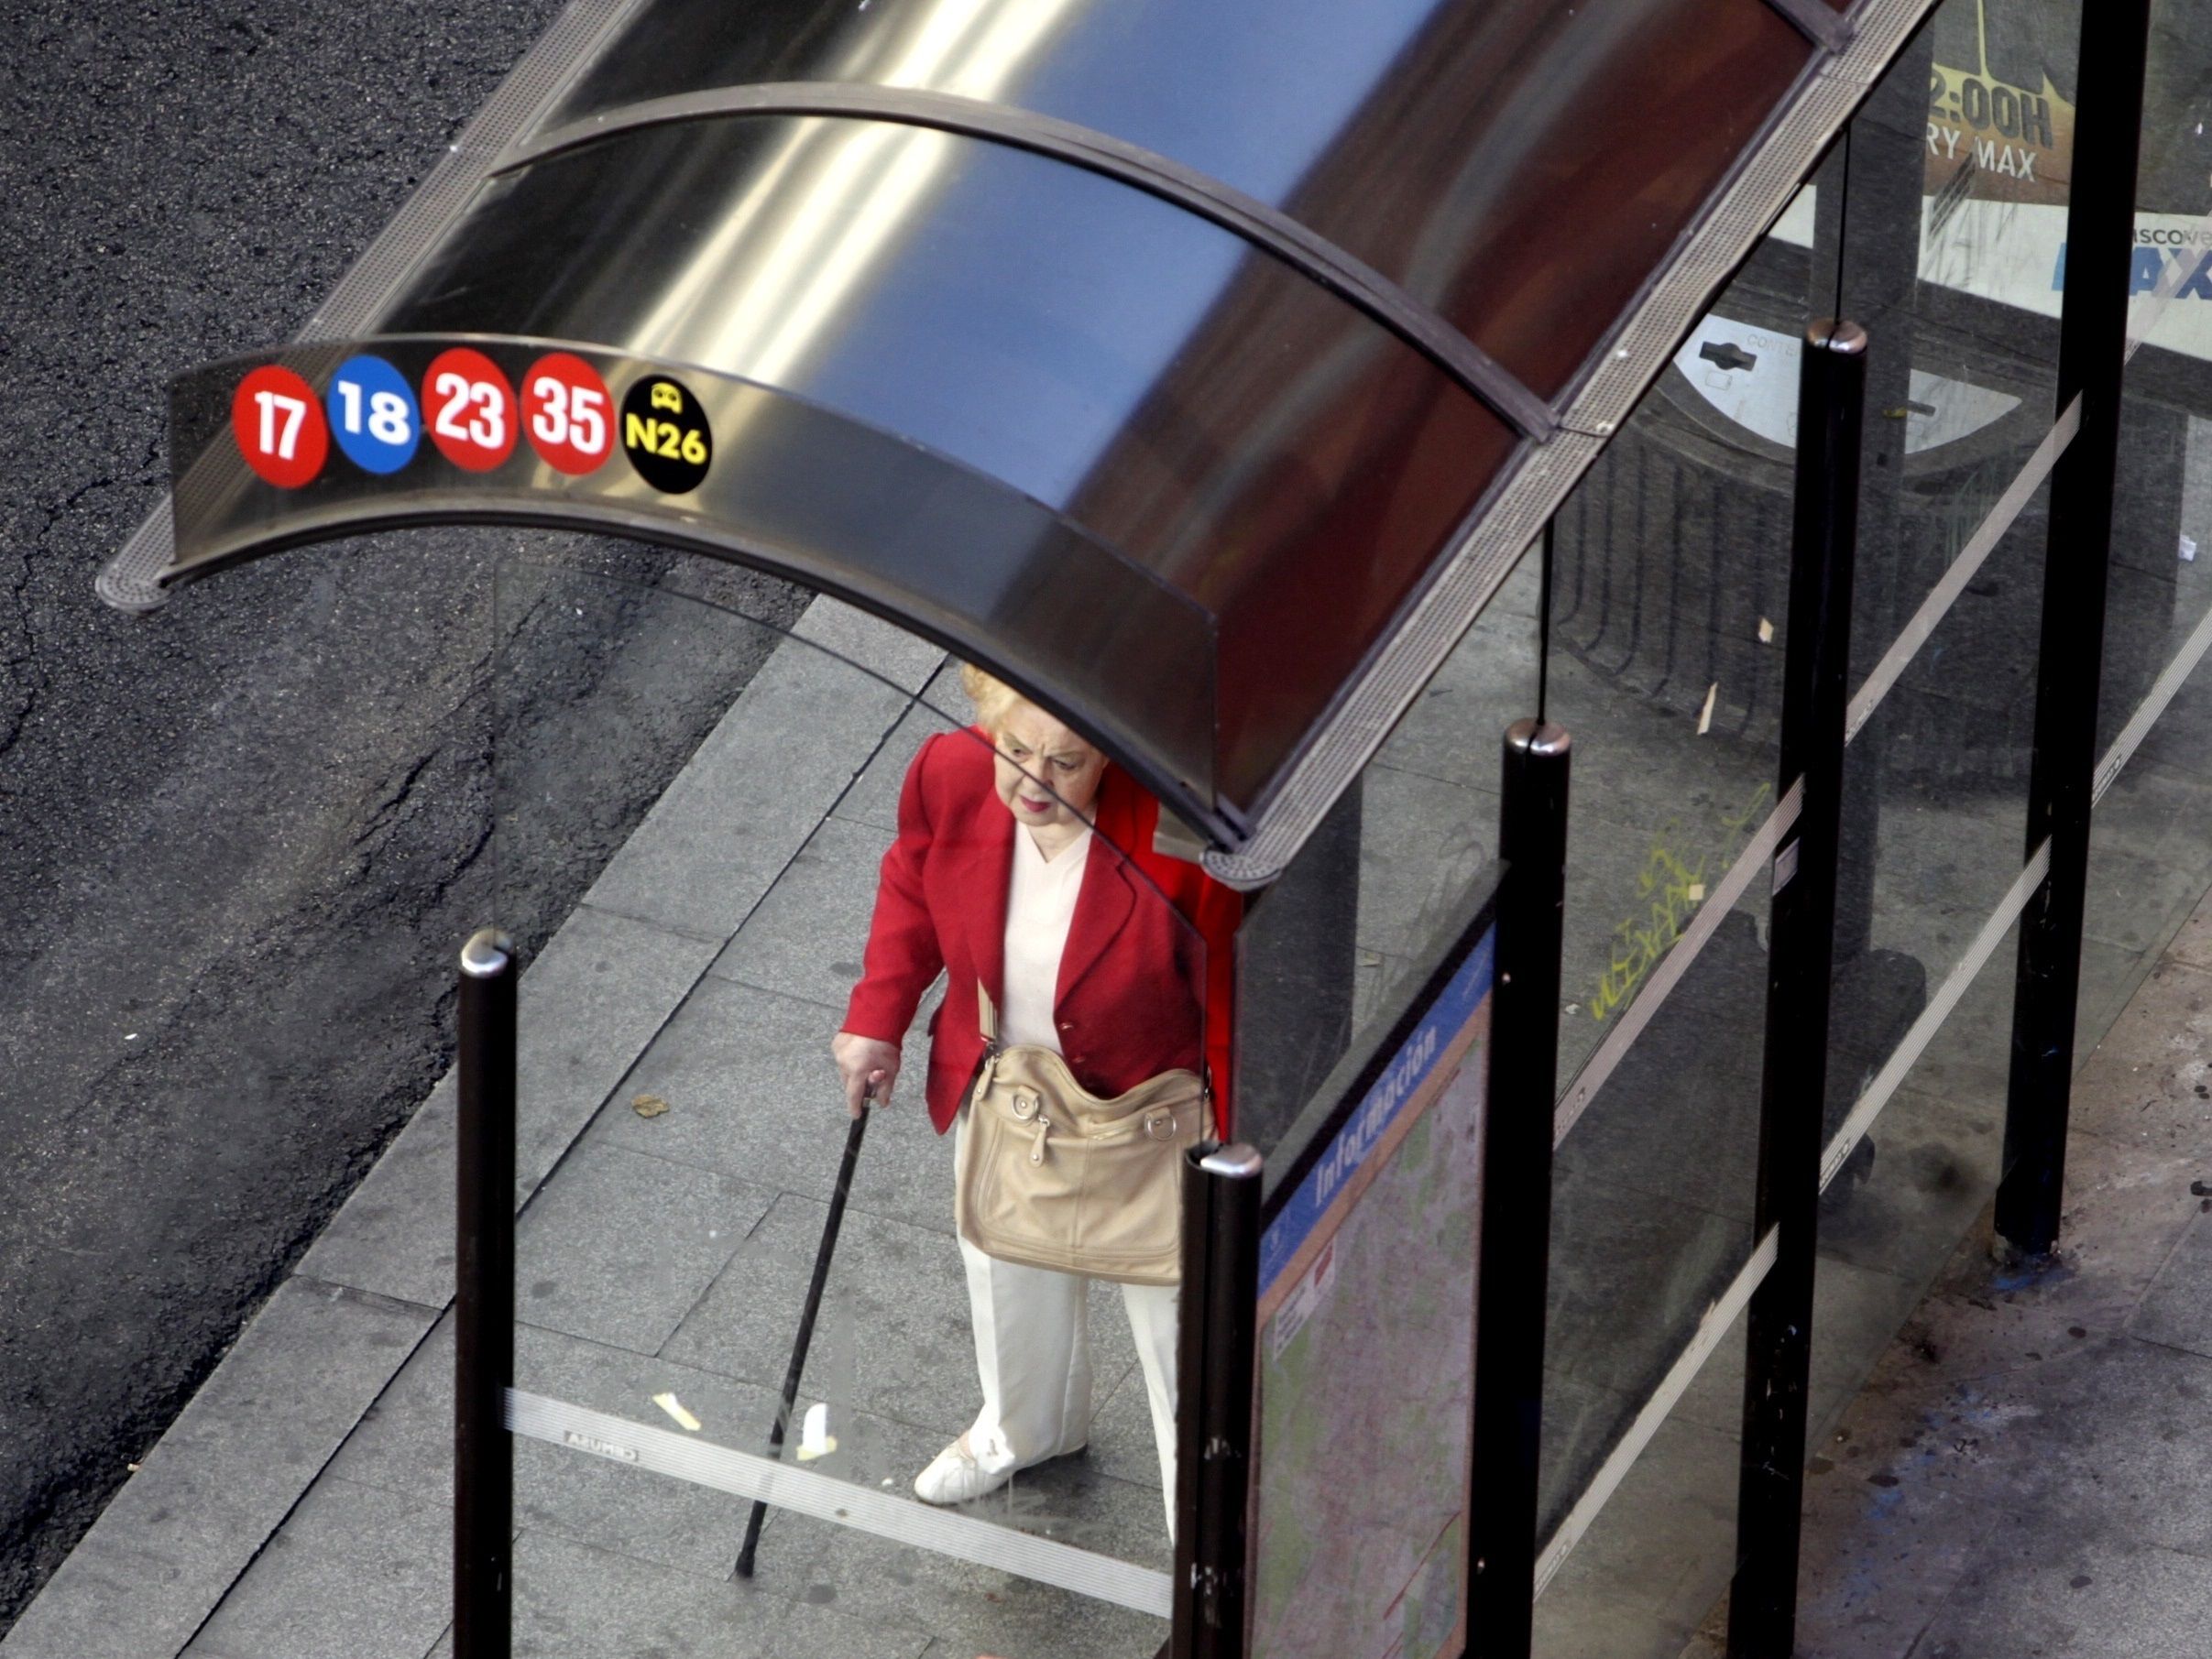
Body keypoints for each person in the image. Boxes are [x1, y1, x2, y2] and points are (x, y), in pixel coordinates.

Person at [832, 665, 1237, 1529]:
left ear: (1114, 754)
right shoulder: (950, 768)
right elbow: (912, 876)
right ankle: (1027, 1427)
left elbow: (1236, 990)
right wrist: (878, 1016)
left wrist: (1245, 1141)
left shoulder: (1177, 837)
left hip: (1156, 1115)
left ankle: (1202, 1502)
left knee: (1179, 1317)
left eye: (1066, 761)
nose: (1030, 783)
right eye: (1014, 750)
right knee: (1006, 1266)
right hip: (1012, 1086)